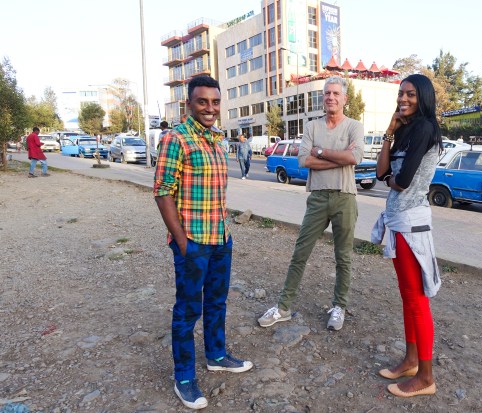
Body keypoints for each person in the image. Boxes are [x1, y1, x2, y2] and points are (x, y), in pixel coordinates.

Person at [153, 75, 253, 410]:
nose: (210, 108)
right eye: (202, 102)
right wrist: (182, 242)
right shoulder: (176, 139)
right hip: (193, 241)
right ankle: (183, 376)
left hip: (221, 237)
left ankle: (216, 354)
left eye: (215, 102)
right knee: (187, 309)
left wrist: (227, 230)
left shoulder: (216, 139)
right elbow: (163, 192)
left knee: (217, 302)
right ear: (189, 104)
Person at [258, 76, 364, 331]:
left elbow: (356, 156)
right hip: (317, 197)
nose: (331, 97)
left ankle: (339, 306)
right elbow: (304, 161)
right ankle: (283, 307)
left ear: (344, 99)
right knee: (300, 253)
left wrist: (321, 152)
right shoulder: (312, 126)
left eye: (336, 94)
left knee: (343, 256)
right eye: (327, 93)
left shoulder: (354, 126)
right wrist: (340, 158)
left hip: (344, 196)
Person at [371, 74, 442, 398]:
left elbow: (402, 180)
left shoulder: (426, 128)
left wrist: (393, 179)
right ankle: (411, 360)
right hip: (399, 221)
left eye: (410, 94)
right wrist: (389, 131)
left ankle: (426, 377)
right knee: (407, 295)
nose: (403, 99)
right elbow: (381, 172)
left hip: (412, 222)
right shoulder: (405, 130)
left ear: (423, 97)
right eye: (401, 94)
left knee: (417, 300)